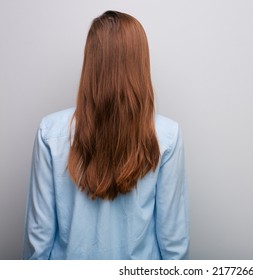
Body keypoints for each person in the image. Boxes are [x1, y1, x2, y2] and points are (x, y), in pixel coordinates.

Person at [22, 10, 189, 260]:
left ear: (91, 61)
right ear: (140, 62)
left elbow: (39, 240)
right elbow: (173, 241)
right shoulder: (167, 135)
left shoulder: (50, 131)